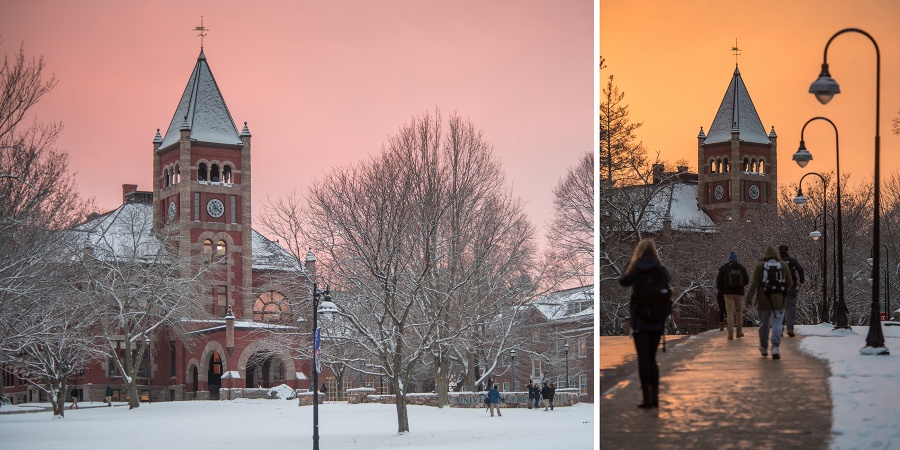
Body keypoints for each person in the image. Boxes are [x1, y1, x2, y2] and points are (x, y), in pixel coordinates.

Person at [619, 238, 670, 408]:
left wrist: (630, 264)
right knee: (652, 359)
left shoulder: (636, 269)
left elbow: (623, 281)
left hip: (640, 320)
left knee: (643, 359)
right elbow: (668, 281)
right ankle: (655, 397)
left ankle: (647, 397)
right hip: (657, 320)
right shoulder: (661, 269)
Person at [745, 245, 793, 360]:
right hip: (779, 301)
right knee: (777, 323)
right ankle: (775, 347)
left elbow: (754, 283)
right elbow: (790, 283)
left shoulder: (760, 265)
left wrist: (749, 298)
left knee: (764, 324)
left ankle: (764, 346)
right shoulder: (783, 265)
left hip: (763, 300)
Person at [716, 252, 749, 340]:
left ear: (729, 259)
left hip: (728, 293)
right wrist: (740, 285)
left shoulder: (724, 268)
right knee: (739, 312)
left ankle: (730, 333)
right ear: (736, 259)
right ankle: (739, 332)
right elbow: (747, 280)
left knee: (730, 312)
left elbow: (718, 282)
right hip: (739, 293)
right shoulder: (741, 268)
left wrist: (723, 291)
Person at [779, 245, 805, 337]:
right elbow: (801, 269)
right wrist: (801, 282)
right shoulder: (792, 261)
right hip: (791, 287)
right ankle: (790, 328)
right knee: (791, 307)